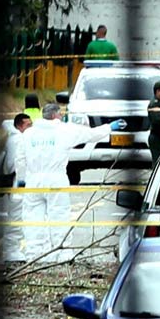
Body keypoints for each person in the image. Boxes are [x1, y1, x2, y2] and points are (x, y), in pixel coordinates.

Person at [21, 104, 125, 262]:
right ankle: (62, 253)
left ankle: (34, 255)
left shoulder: (29, 133)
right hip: (55, 180)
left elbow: (20, 157)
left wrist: (22, 178)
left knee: (33, 219)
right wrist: (109, 127)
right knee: (59, 217)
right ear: (55, 115)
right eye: (60, 114)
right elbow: (90, 134)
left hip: (33, 181)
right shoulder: (64, 130)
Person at [0, 113, 33, 262]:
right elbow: (11, 164)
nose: (31, 127)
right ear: (19, 126)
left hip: (23, 181)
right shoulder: (17, 139)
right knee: (16, 217)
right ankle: (11, 249)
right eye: (28, 125)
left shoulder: (20, 138)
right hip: (19, 182)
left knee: (22, 216)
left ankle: (14, 249)